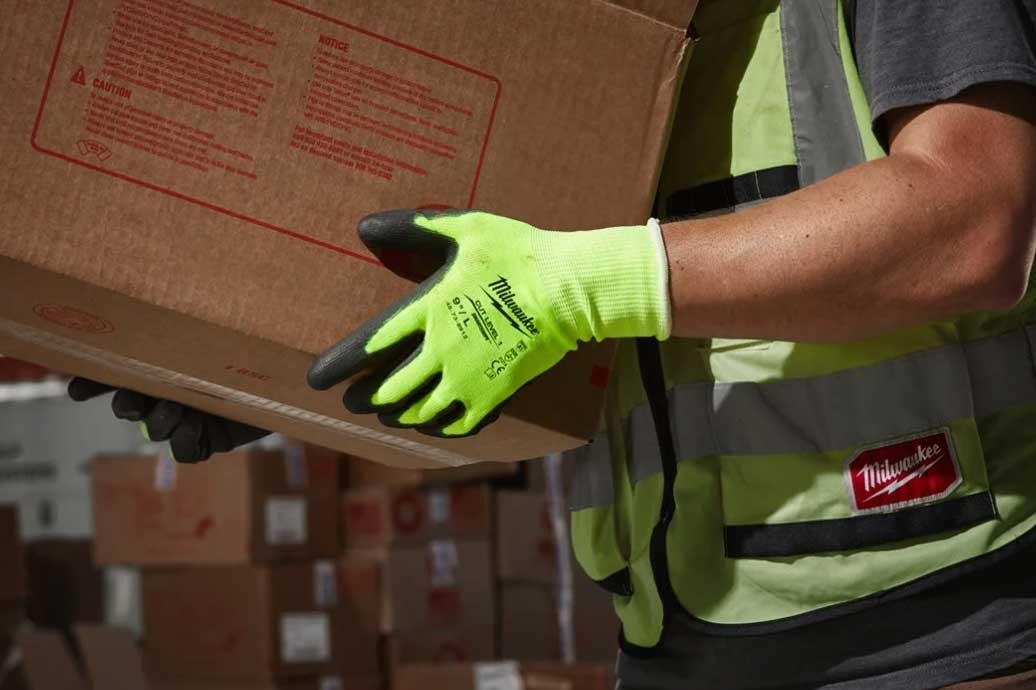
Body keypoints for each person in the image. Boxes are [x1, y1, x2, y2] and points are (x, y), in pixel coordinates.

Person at [71, 1, 1036, 688]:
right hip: (678, 639)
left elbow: (977, 221)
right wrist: (273, 380)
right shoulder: (602, 35)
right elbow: (548, 312)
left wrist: (575, 289)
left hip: (944, 630)